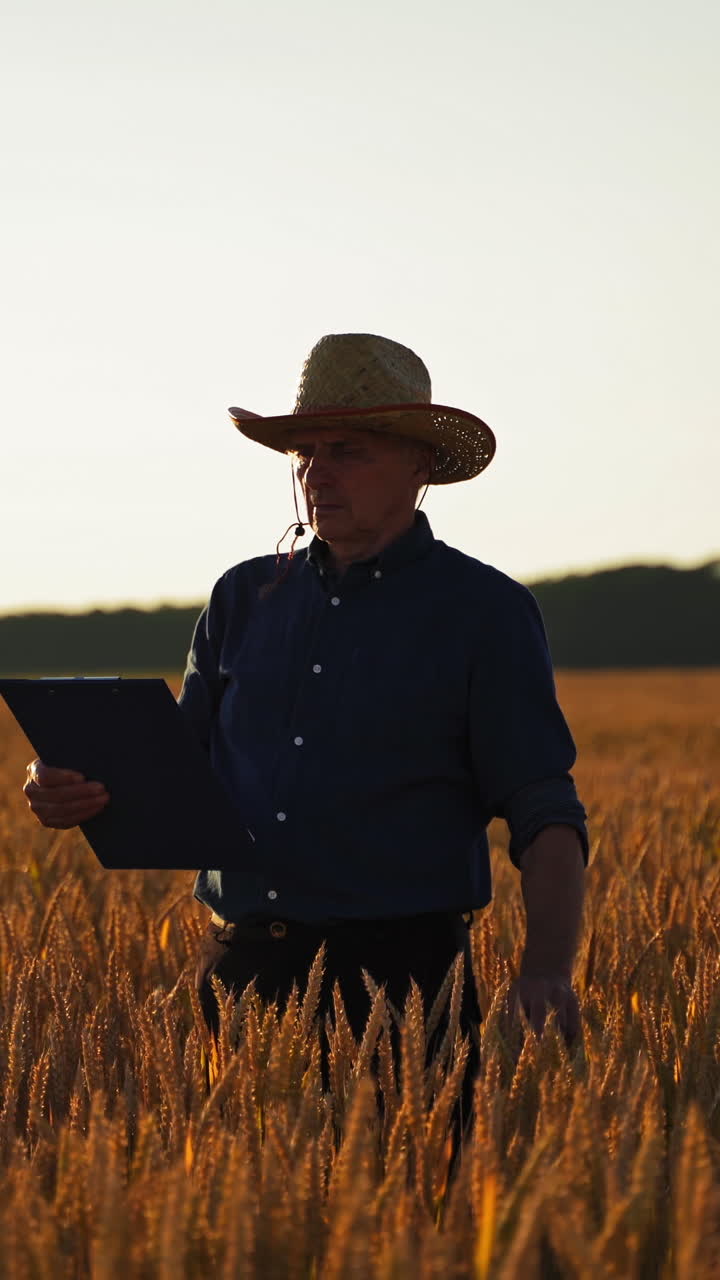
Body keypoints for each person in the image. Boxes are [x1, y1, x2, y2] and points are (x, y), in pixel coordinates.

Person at [23, 332, 588, 1168]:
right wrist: (65, 784)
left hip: (402, 993)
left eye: (346, 452)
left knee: (406, 1226)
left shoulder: (485, 612)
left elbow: (545, 809)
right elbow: (170, 771)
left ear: (418, 465)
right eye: (304, 453)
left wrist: (546, 968)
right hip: (241, 977)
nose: (315, 473)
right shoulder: (243, 596)